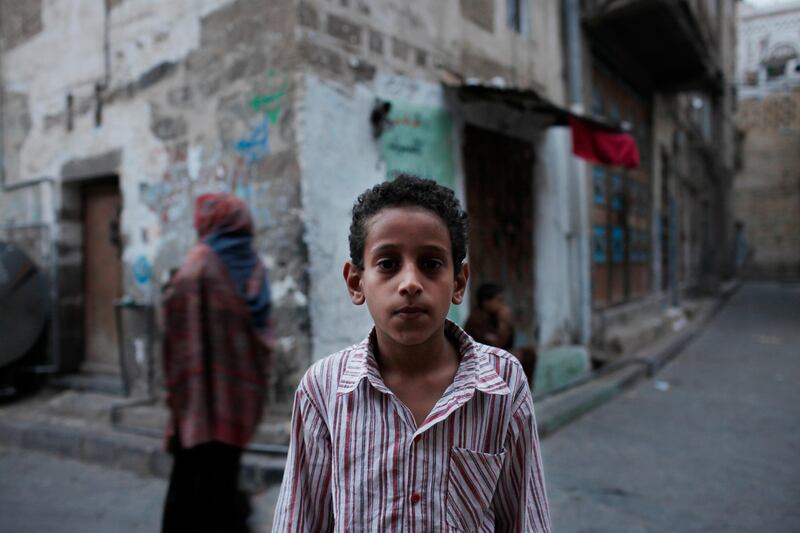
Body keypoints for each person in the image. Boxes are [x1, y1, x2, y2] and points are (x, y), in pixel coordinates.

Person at [272, 175, 551, 532]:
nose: (410, 284)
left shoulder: (503, 383)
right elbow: (300, 522)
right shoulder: (323, 390)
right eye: (387, 264)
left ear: (459, 282)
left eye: (431, 263)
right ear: (357, 283)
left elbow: (526, 519)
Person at [161, 192, 271, 533]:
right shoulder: (254, 266)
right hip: (239, 397)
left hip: (199, 400)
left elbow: (175, 331)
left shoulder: (198, 265)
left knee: (192, 490)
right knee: (223, 476)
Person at [465, 282, 537, 383]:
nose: (502, 304)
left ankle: (524, 391)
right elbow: (496, 346)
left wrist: (506, 323)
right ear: (486, 302)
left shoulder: (494, 315)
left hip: (495, 354)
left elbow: (509, 342)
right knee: (513, 358)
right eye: (499, 300)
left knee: (529, 354)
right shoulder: (476, 319)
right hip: (480, 361)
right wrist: (503, 323)